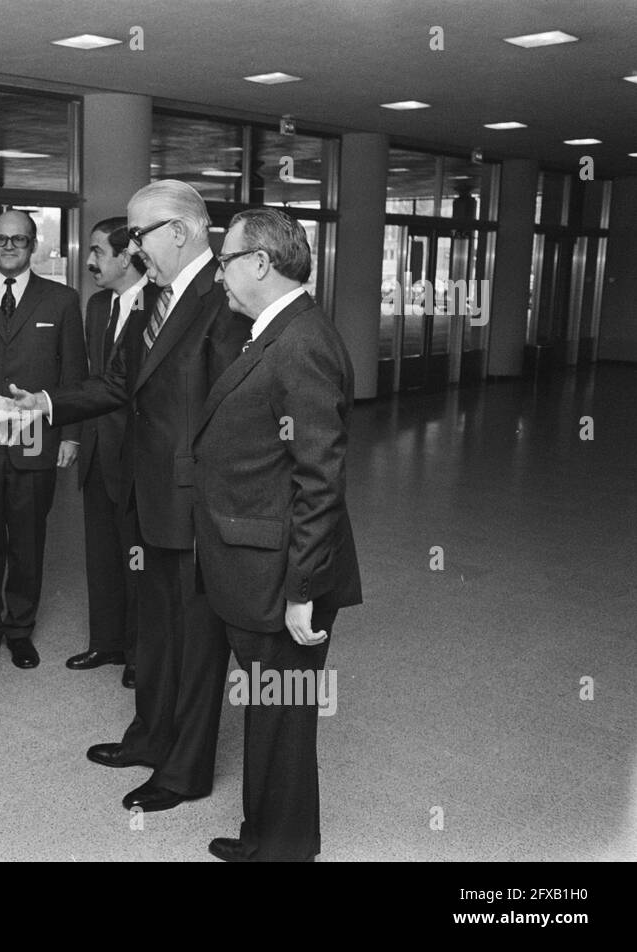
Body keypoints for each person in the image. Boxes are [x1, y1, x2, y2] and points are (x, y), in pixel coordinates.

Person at [11, 181, 248, 812]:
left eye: (139, 234)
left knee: (196, 641)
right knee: (157, 628)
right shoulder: (154, 303)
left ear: (180, 231)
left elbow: (235, 413)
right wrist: (47, 403)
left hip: (195, 502)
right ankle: (149, 737)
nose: (132, 246)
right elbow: (117, 382)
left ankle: (187, 769)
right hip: (149, 496)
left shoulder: (224, 302)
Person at [197, 208, 361, 862]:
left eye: (226, 261)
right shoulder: (273, 332)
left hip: (283, 576)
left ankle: (286, 850)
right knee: (269, 713)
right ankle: (265, 838)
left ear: (260, 262)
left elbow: (320, 479)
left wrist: (302, 591)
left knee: (284, 720)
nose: (220, 275)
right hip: (258, 564)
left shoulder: (302, 342)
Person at [0, 209, 85, 670]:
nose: (9, 247)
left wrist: (70, 437)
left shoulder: (62, 301)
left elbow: (74, 376)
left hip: (35, 441)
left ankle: (20, 630)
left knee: (27, 540)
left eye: (19, 240)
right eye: (1, 239)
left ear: (34, 245)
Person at [66, 218, 149, 689]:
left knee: (136, 555)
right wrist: (75, 436)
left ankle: (139, 652)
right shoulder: (97, 306)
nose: (90, 260)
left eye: (98, 251)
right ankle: (107, 641)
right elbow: (89, 381)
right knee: (100, 552)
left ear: (126, 256)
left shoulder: (158, 306)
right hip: (98, 448)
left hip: (137, 454)